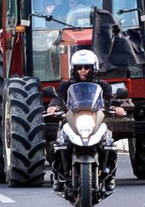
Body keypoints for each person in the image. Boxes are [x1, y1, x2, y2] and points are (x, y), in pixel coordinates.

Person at [47, 50, 123, 192]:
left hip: (95, 118)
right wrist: (53, 106)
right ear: (74, 69)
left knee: (109, 143)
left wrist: (116, 107)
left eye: (86, 67)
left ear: (93, 68)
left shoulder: (103, 85)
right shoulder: (66, 85)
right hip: (73, 118)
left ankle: (109, 175)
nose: (83, 71)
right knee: (59, 143)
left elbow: (110, 100)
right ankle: (58, 176)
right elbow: (58, 97)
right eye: (79, 68)